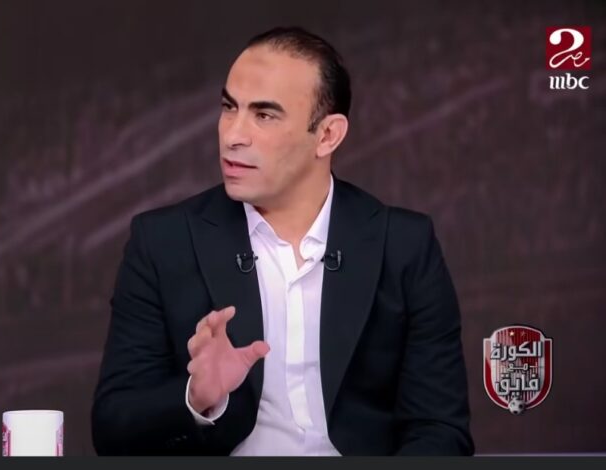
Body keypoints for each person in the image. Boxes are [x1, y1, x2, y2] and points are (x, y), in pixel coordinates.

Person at [91, 26, 474, 456]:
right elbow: (112, 427)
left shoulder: (403, 246)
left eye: (264, 115)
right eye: (229, 108)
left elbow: (440, 430)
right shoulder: (164, 242)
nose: (233, 135)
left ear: (327, 135)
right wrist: (195, 399)